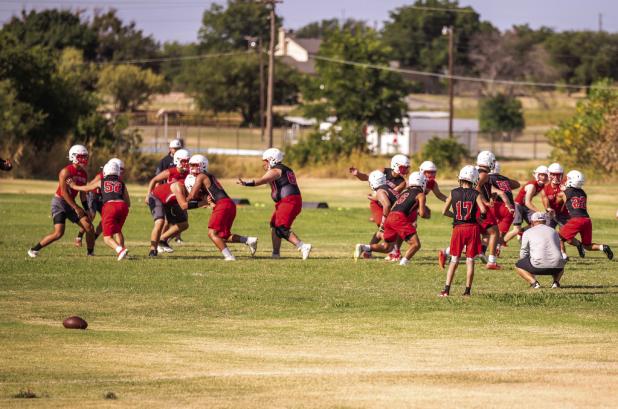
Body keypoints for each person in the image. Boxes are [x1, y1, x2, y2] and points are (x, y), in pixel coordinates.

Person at [237, 148, 312, 260]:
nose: (264, 164)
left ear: (272, 159)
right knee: (274, 225)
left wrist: (246, 183)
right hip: (288, 201)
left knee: (281, 228)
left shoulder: (276, 170)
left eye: (265, 161)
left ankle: (302, 246)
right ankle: (275, 254)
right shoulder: (285, 169)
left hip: (289, 201)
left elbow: (262, 181)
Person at [185, 154, 258, 261]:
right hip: (229, 204)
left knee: (212, 234)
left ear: (203, 165)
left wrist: (182, 201)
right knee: (222, 236)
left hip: (222, 204)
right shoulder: (209, 176)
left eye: (195, 165)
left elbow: (192, 195)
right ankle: (248, 240)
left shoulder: (201, 176)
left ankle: (229, 256)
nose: (192, 168)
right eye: (191, 165)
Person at [28, 145, 95, 258]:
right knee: (59, 233)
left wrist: (87, 209)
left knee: (89, 226)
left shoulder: (84, 174)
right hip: (59, 202)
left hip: (71, 203)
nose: (84, 159)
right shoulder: (65, 171)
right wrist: (76, 208)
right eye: (81, 156)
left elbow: (83, 195)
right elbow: (64, 193)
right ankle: (34, 250)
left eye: (85, 156)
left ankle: (90, 253)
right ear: (73, 157)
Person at [355, 171, 427, 266]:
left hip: (390, 217)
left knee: (387, 247)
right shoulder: (421, 195)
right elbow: (422, 214)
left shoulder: (405, 191)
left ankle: (364, 247)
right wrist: (423, 212)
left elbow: (390, 200)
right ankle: (403, 263)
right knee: (416, 244)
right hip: (398, 217)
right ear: (422, 182)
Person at [349, 154, 410, 260]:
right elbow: (369, 178)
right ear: (395, 165)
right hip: (378, 204)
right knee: (382, 227)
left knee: (383, 229)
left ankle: (368, 250)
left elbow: (391, 194)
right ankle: (389, 250)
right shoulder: (383, 171)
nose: (405, 170)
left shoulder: (402, 182)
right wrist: (358, 174)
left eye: (406, 167)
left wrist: (374, 197)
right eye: (403, 167)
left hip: (385, 202)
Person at [439, 165, 487, 297]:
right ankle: (467, 291)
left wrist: (455, 216)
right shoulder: (476, 193)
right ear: (474, 179)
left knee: (454, 259)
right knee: (470, 260)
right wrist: (480, 219)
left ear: (460, 178)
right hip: (472, 228)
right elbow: (483, 211)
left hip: (458, 229)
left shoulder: (453, 192)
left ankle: (447, 289)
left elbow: (444, 211)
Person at [68, 161, 130, 260]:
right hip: (123, 207)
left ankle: (120, 250)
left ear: (105, 171)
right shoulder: (122, 183)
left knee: (107, 238)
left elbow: (86, 188)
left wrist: (73, 186)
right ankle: (122, 250)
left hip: (110, 206)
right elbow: (128, 202)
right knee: (117, 230)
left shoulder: (101, 182)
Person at [555, 170, 613, 260]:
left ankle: (563, 256)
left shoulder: (565, 193)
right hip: (587, 220)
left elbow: (557, 200)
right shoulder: (583, 193)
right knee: (587, 245)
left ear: (571, 180)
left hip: (576, 219)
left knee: (558, 237)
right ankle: (603, 247)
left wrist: (561, 190)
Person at [146, 149, 191, 252]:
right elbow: (154, 180)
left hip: (173, 200)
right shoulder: (170, 171)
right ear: (177, 161)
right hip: (160, 197)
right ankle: (153, 249)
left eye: (188, 161)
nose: (186, 164)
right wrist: (148, 194)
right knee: (161, 222)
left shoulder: (189, 174)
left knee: (184, 224)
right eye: (184, 161)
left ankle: (162, 240)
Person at [473, 151, 509, 269]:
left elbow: (485, 188)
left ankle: (448, 252)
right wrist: (485, 201)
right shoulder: (483, 174)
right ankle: (492, 261)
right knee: (495, 232)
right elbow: (477, 188)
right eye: (492, 161)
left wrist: (491, 195)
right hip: (480, 207)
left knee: (482, 233)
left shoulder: (477, 172)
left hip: (475, 206)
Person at [355, 170, 399, 259]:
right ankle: (394, 253)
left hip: (394, 217)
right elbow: (386, 202)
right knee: (388, 246)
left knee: (382, 236)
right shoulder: (388, 188)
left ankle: (366, 250)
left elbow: (386, 204)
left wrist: (383, 222)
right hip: (396, 217)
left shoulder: (380, 190)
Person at [515, 212, 566, 289]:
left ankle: (534, 283)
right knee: (560, 261)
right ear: (545, 221)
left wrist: (525, 261)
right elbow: (559, 249)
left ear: (532, 222)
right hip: (557, 267)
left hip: (537, 266)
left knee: (518, 265)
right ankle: (556, 282)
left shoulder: (527, 232)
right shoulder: (554, 231)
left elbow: (524, 251)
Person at [504, 165, 549, 244]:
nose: (544, 177)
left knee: (538, 223)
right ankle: (499, 244)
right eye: (541, 175)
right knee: (516, 229)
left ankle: (521, 232)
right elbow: (527, 202)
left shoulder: (542, 185)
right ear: (537, 175)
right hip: (518, 206)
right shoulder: (532, 185)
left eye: (545, 175)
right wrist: (539, 211)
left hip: (524, 206)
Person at [487, 161, 519, 244]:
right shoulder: (503, 178)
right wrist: (505, 183)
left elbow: (495, 192)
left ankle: (471, 246)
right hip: (510, 208)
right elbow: (517, 184)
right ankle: (497, 247)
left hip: (497, 205)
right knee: (500, 233)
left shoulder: (487, 177)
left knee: (486, 231)